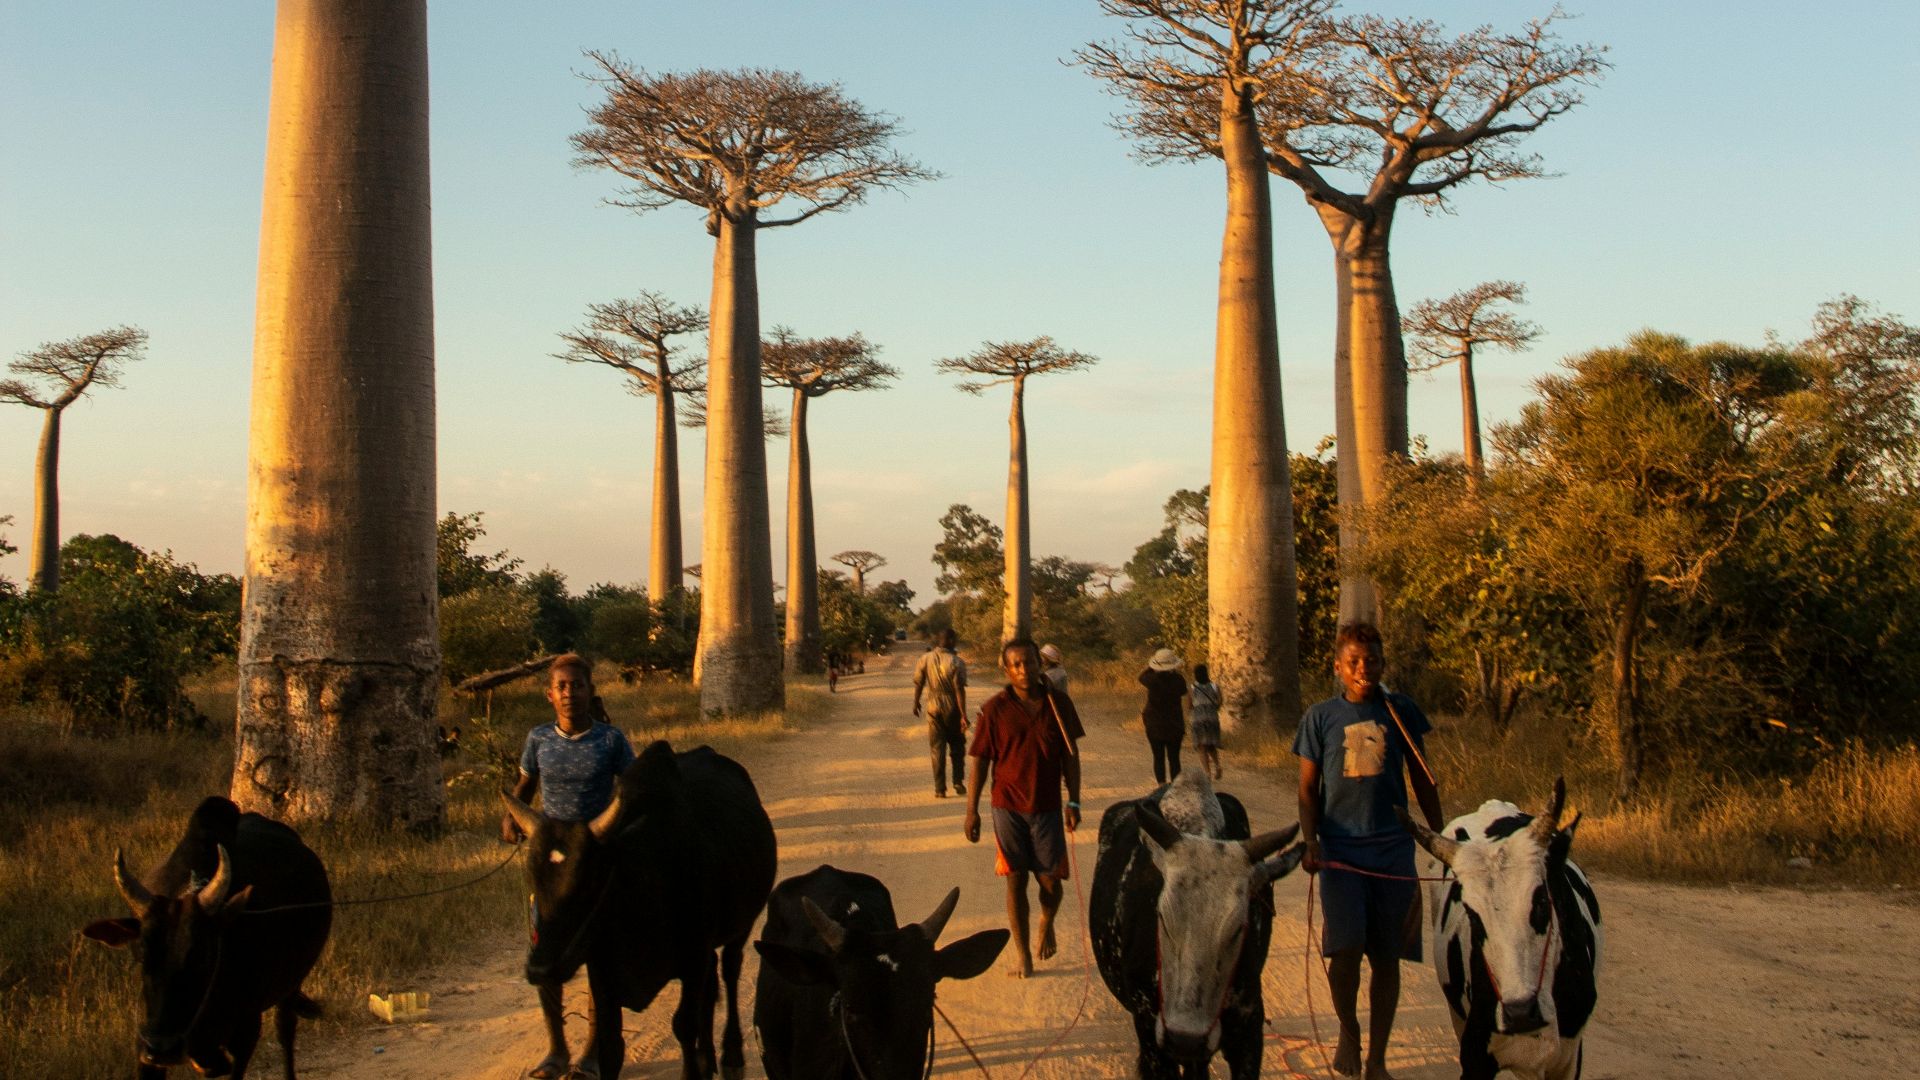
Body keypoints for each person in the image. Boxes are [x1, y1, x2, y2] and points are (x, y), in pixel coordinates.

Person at [1295, 623, 1444, 1080]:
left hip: (1392, 849)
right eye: (1354, 661)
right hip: (1341, 850)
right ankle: (1348, 1031)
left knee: (1386, 955)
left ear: (1383, 664)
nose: (1364, 669)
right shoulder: (1320, 717)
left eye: (1373, 660)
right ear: (1338, 666)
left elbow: (1422, 777)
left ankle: (1377, 1058)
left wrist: (1443, 839)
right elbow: (1307, 788)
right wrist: (1311, 839)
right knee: (1345, 951)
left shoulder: (1401, 711)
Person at [501, 654, 638, 1080]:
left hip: (594, 860)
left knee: (600, 954)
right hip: (551, 861)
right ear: (549, 694)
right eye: (561, 686)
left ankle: (595, 1051)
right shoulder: (538, 740)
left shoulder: (611, 741)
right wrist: (511, 818)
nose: (569, 693)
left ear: (589, 691)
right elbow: (524, 788)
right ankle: (556, 1049)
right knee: (546, 950)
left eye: (577, 685)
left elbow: (631, 791)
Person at [963, 638, 1084, 978]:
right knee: (1014, 881)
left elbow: (1070, 757)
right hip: (1007, 808)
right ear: (1006, 669)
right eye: (1015, 664)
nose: (1023, 670)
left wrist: (1073, 800)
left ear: (1039, 664)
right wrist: (971, 810)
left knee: (1050, 883)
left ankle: (1046, 921)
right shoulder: (994, 709)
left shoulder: (1058, 705)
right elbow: (981, 763)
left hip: (1046, 807)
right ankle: (1023, 956)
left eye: (1028, 662)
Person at [913, 629, 969, 798]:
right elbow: (959, 689)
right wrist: (963, 715)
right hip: (952, 706)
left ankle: (939, 789)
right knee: (957, 745)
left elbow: (919, 682)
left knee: (937, 749)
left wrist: (916, 702)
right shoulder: (957, 662)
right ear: (951, 640)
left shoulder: (925, 658)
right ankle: (957, 781)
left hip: (932, 707)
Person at [1138, 647, 1188, 783]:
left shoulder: (1152, 680)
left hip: (1155, 724)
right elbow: (1184, 691)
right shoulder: (1178, 680)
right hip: (1174, 725)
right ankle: (1175, 786)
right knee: (1174, 759)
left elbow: (1141, 677)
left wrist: (1152, 666)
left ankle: (1161, 786)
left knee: (1158, 757)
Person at [1189, 663, 1223, 780]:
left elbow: (1189, 705)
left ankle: (1207, 773)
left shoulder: (1193, 688)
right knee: (1211, 745)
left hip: (1198, 720)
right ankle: (1217, 765)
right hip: (1212, 719)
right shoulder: (1214, 686)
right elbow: (1219, 702)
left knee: (1201, 746)